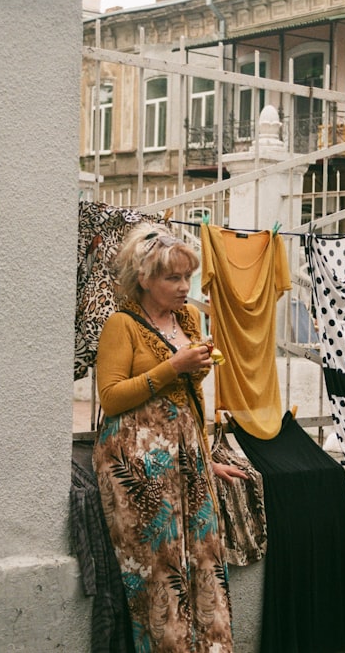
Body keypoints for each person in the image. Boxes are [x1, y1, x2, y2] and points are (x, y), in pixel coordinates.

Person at [93, 222, 246, 653]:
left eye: (187, 277)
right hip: (135, 465)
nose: (184, 287)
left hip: (186, 458)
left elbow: (191, 397)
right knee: (159, 571)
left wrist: (202, 456)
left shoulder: (189, 319)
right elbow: (111, 396)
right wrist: (172, 367)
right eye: (173, 278)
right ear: (144, 278)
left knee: (206, 560)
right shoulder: (121, 325)